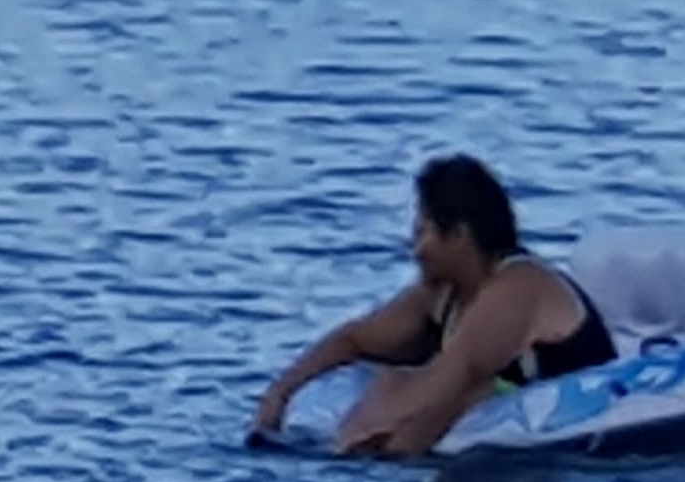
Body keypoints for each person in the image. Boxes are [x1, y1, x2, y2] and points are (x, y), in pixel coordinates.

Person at [248, 154, 618, 457]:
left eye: (423, 232)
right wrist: (278, 395)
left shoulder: (519, 287)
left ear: (458, 235)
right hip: (490, 441)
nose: (416, 249)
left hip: (573, 441)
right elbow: (355, 340)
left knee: (442, 387)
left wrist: (376, 458)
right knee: (391, 377)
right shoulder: (441, 293)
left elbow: (452, 385)